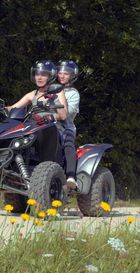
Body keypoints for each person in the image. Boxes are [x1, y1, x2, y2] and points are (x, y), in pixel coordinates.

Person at [57, 60, 80, 193]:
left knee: (68, 143)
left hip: (65, 127)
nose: (62, 76)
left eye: (66, 73)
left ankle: (71, 176)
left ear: (72, 76)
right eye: (60, 73)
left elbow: (68, 113)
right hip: (45, 126)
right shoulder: (47, 90)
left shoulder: (73, 94)